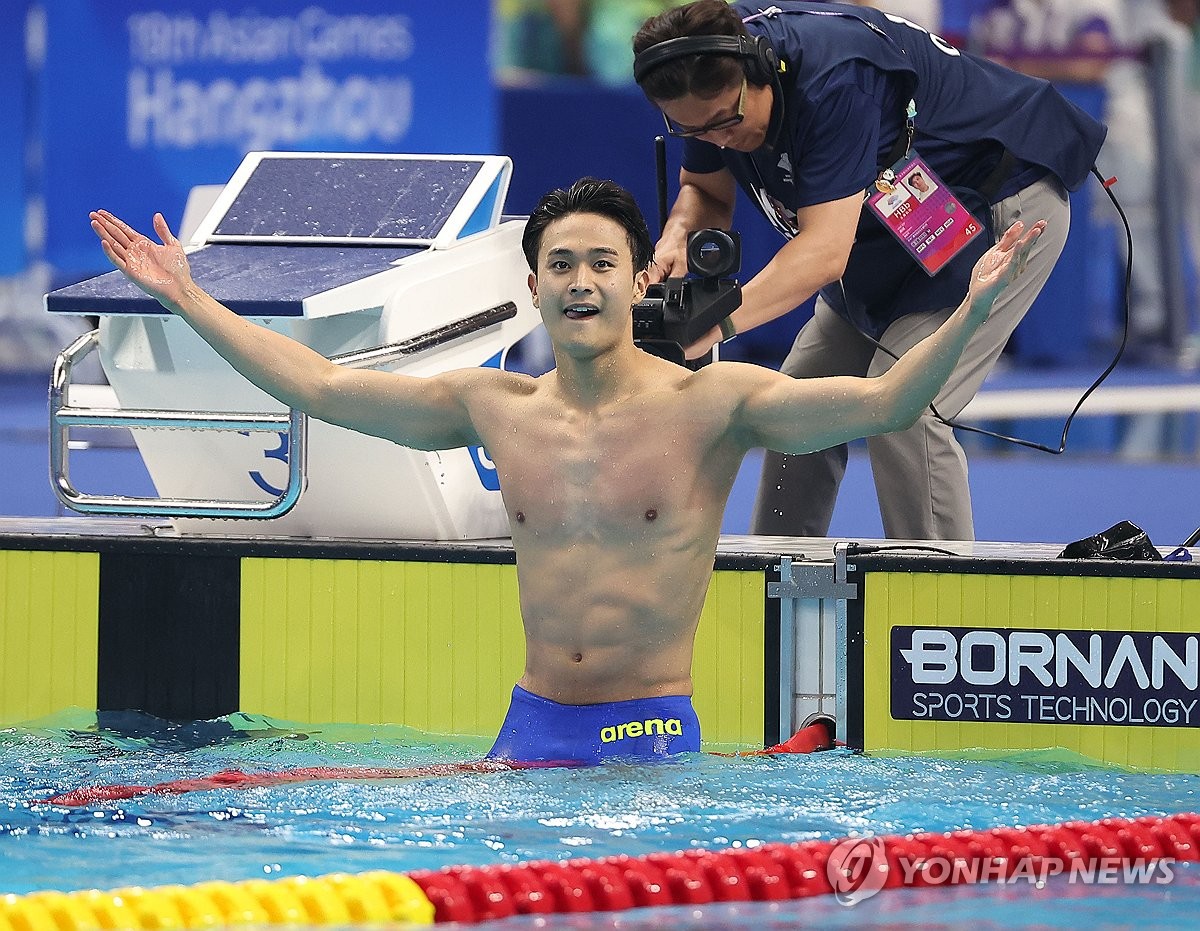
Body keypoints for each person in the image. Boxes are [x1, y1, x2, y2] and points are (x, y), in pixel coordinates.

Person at [89, 179, 1042, 764]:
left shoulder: (713, 406)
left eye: (600, 263)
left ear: (638, 282)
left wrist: (969, 309)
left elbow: (884, 405)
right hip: (528, 727)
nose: (580, 282)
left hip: (650, 733)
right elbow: (326, 385)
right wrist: (187, 299)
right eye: (559, 265)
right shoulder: (494, 407)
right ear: (533, 285)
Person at [632, 0, 1106, 542]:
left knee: (908, 408)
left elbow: (822, 254)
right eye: (692, 129)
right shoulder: (701, 72)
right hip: (886, 235)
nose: (716, 138)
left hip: (995, 212)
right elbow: (704, 190)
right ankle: (779, 589)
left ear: (761, 71)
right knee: (793, 405)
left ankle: (934, 608)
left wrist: (718, 325)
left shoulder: (836, 83)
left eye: (726, 122)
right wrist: (676, 235)